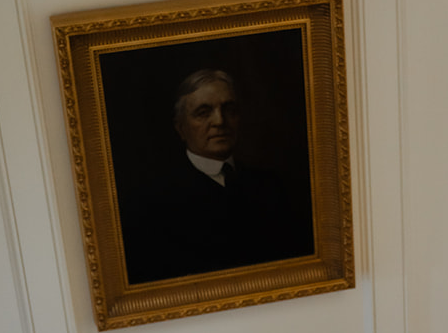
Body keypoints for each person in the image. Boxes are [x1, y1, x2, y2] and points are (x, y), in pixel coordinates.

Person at [119, 68, 314, 284]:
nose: (220, 121)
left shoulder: (272, 187)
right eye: (203, 112)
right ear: (181, 128)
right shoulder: (150, 203)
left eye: (229, 109)